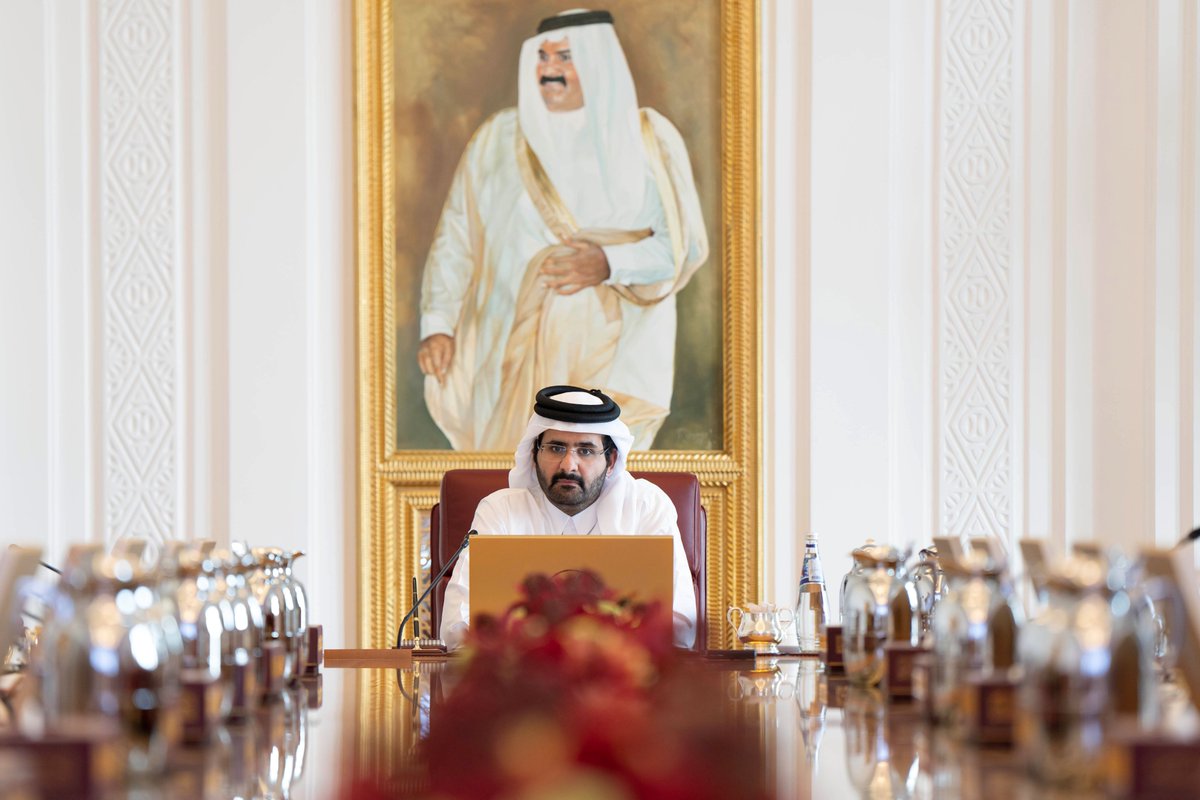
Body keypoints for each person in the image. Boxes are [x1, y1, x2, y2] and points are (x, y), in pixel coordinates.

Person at [417, 9, 708, 451]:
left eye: (564, 57)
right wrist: (439, 324)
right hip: (506, 352)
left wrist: (607, 262)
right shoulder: (498, 139)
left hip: (617, 357)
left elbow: (682, 249)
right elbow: (456, 238)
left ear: (596, 61)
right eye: (543, 56)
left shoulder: (648, 138)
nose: (549, 69)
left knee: (597, 473)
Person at [439, 385, 698, 649]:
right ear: (534, 454)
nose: (568, 465)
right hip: (521, 671)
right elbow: (457, 624)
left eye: (585, 450)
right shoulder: (500, 511)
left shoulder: (646, 507)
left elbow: (679, 624)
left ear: (611, 461)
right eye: (555, 448)